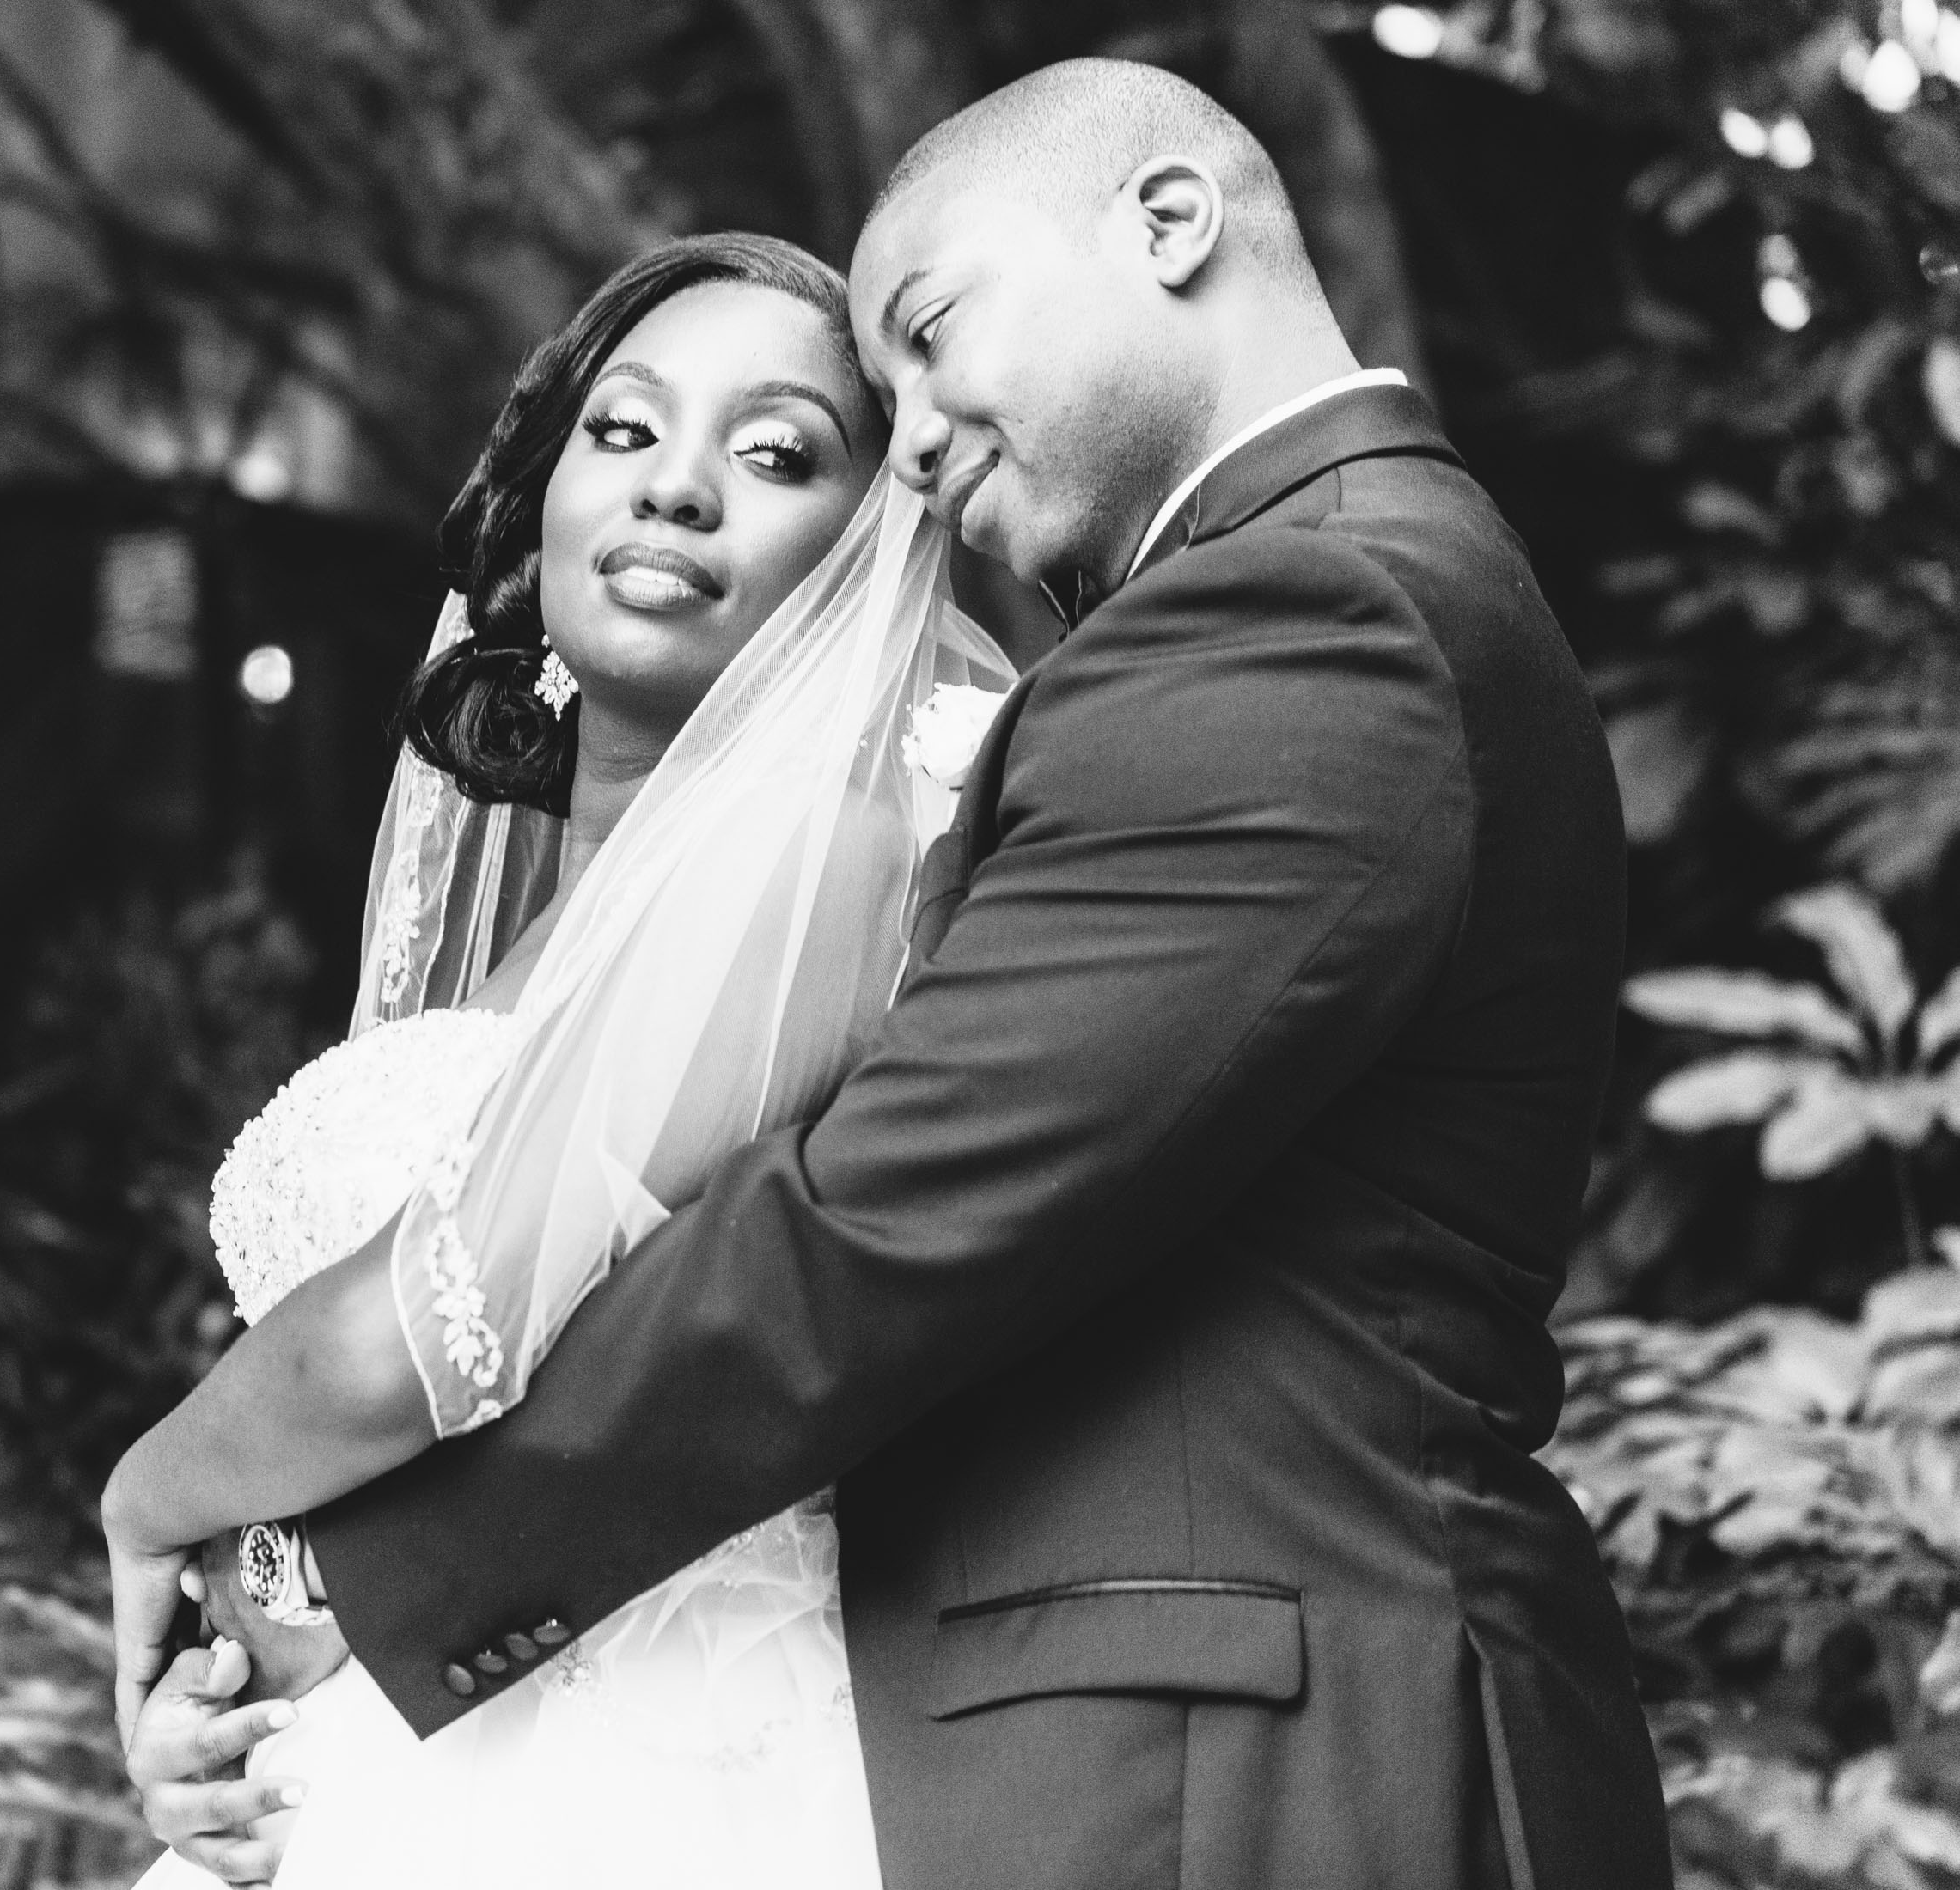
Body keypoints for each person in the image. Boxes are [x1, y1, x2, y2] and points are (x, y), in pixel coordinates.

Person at [128, 57, 1676, 1890]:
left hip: (1256, 1744)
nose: (922, 437)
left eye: (931, 338)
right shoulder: (1308, 598)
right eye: (621, 433)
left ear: (1170, 222)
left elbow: (865, 1241)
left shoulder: (1311, 614)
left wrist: (288, 1565)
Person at [106, 226, 1009, 1889]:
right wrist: (217, 1688)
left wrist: (151, 1492)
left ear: (870, 555)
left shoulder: (828, 847)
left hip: (645, 1781)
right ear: (543, 504)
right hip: (377, 1755)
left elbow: (443, 1316)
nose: (676, 486)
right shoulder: (530, 924)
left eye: (775, 451)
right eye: (625, 428)